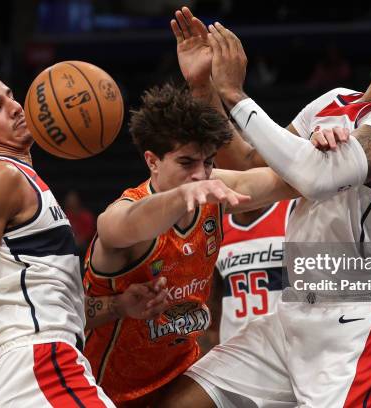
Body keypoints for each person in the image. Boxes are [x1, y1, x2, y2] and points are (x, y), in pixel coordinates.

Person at [161, 8, 371, 407]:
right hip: (295, 310)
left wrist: (235, 94)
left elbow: (316, 179)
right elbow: (248, 164)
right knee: (179, 401)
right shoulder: (333, 100)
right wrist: (204, 91)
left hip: (360, 317)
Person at [0, 67, 167, 407]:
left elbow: (39, 300)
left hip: (23, 373)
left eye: (11, 96)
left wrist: (118, 306)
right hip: (39, 366)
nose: (14, 107)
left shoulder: (20, 181)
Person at [81, 83, 297, 407]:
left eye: (208, 162)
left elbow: (289, 179)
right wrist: (118, 306)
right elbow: (114, 226)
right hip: (108, 393)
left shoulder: (212, 191)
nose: (200, 175)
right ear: (152, 162)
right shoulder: (126, 214)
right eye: (186, 163)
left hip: (183, 381)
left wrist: (320, 148)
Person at [211, 199, 295, 345]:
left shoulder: (292, 210)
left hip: (284, 346)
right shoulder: (216, 226)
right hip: (235, 348)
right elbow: (214, 299)